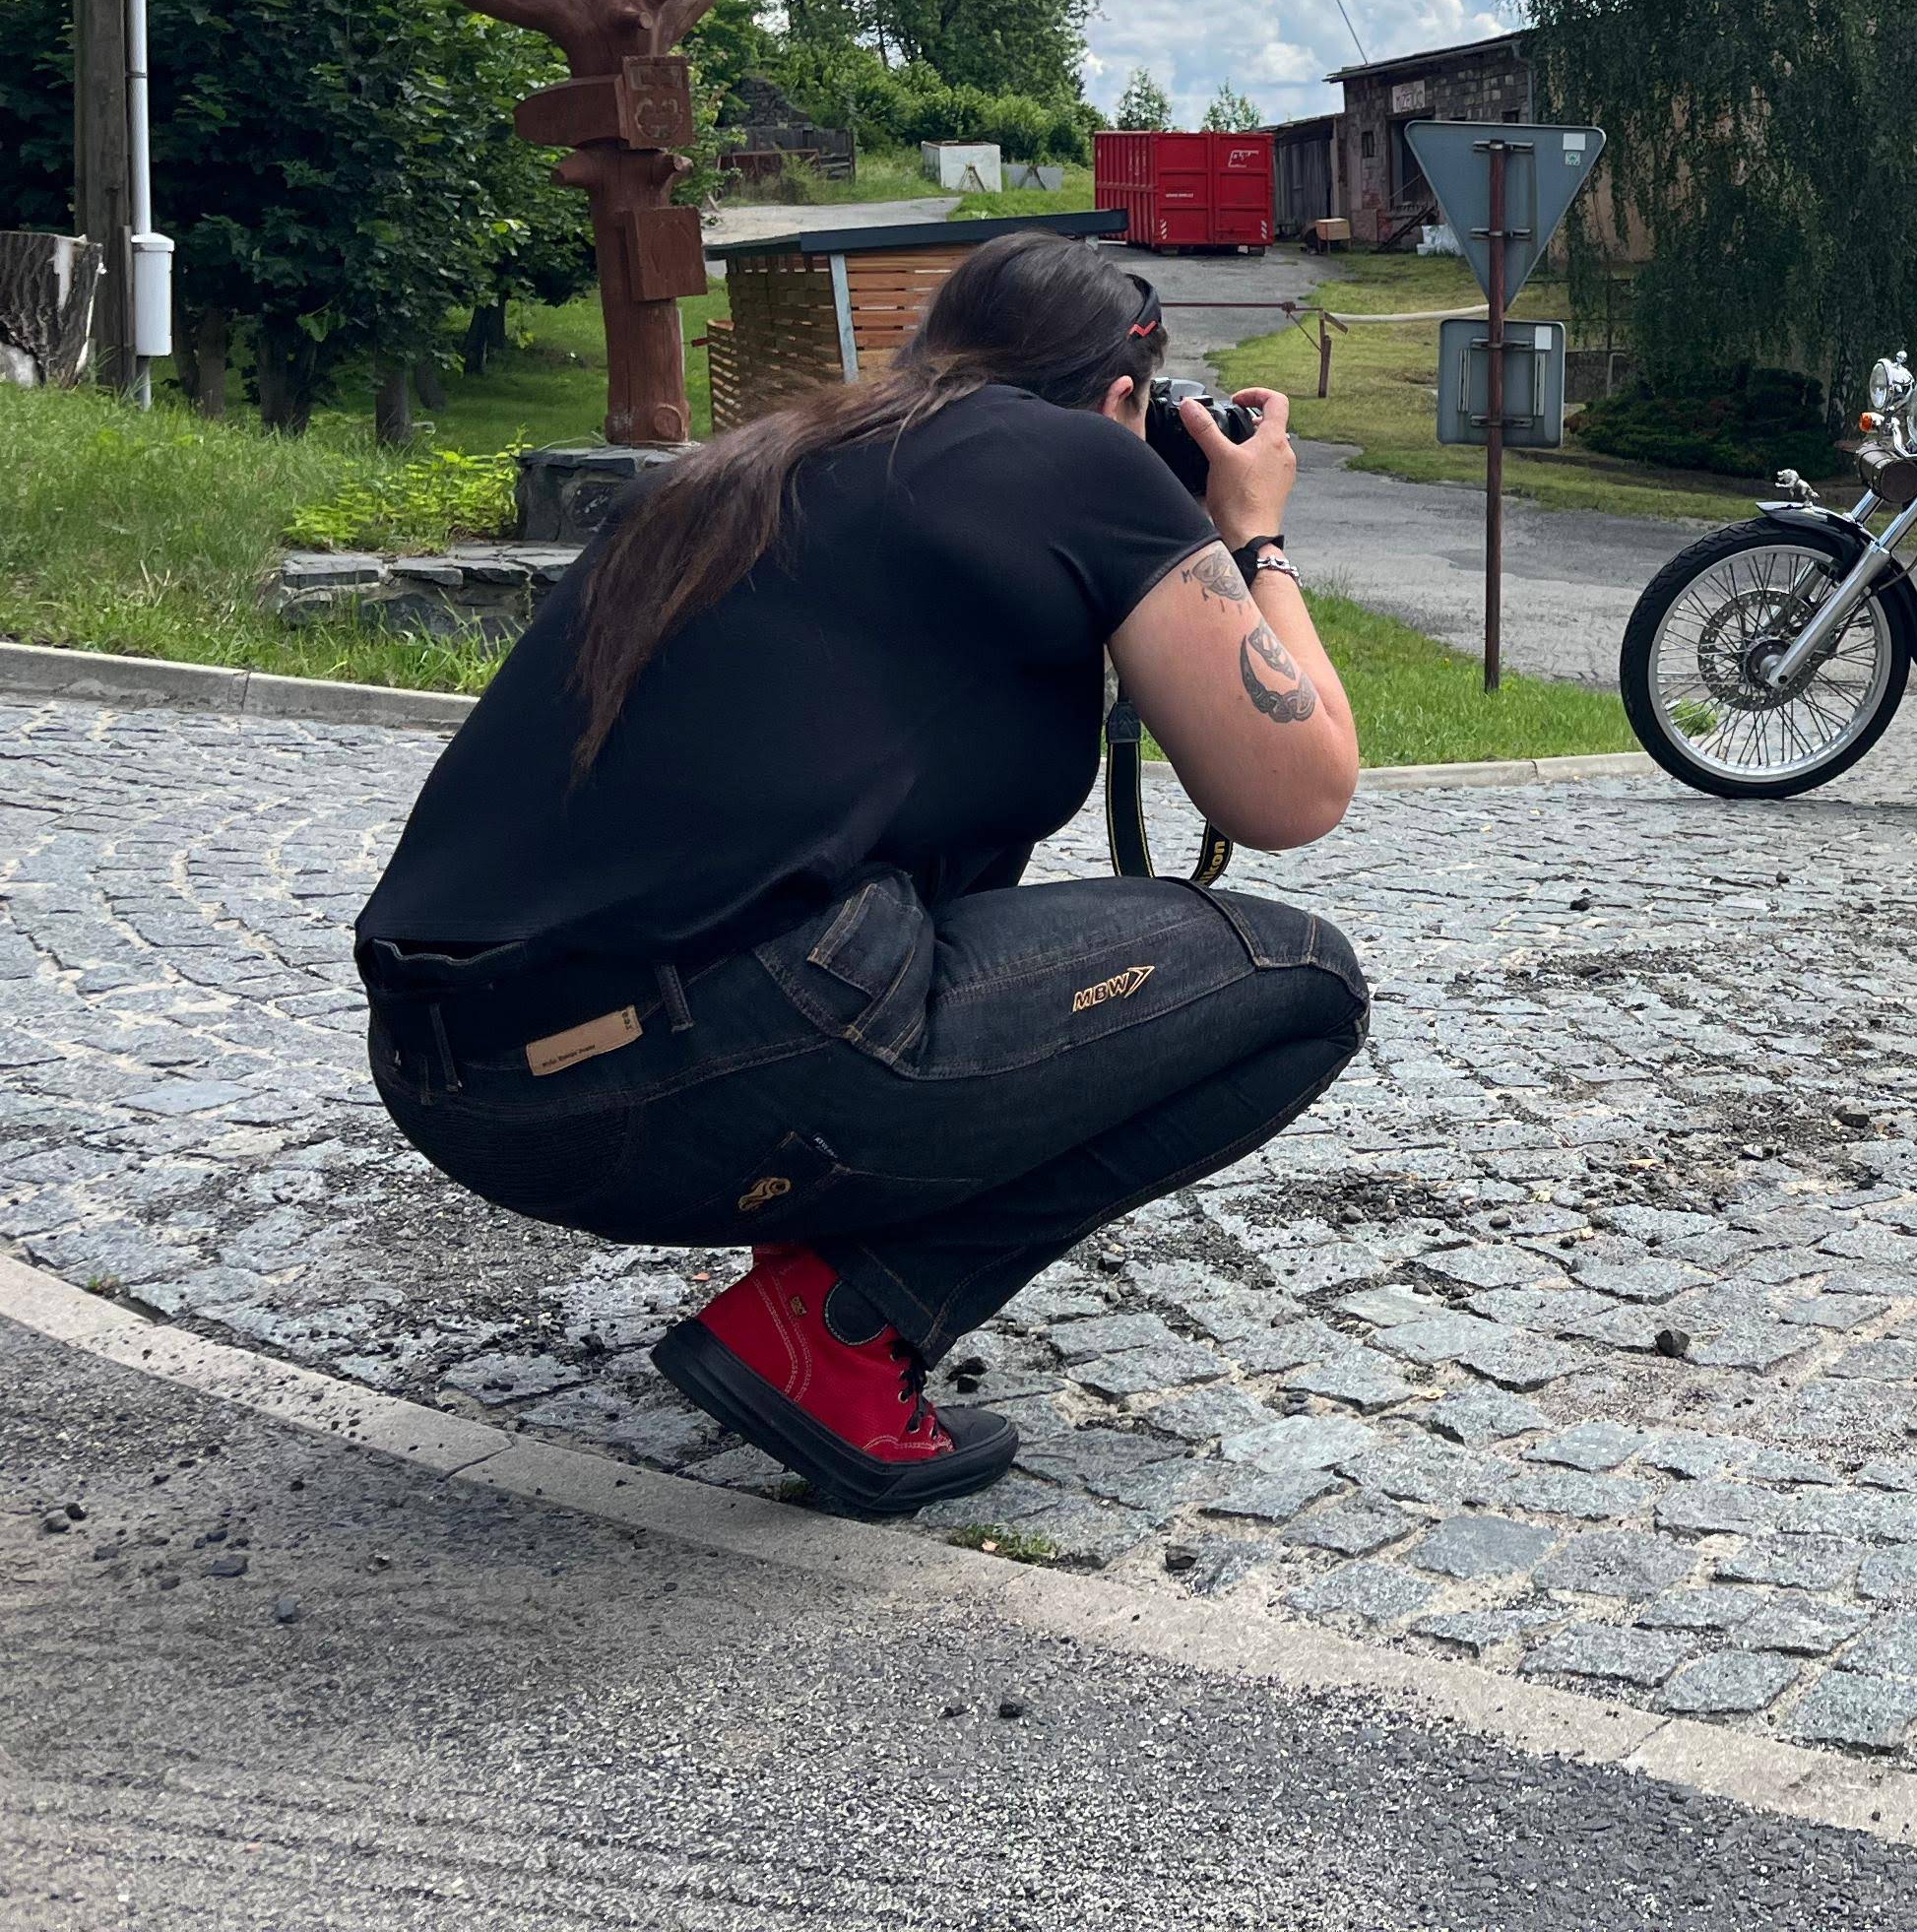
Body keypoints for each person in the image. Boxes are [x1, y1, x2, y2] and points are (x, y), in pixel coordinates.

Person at [352, 229, 1367, 1518]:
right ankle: (836, 1328)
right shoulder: (1084, 461)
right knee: (1302, 983)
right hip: (685, 1067)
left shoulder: (759, 460)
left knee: (894, 902)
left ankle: (808, 1254)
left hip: (453, 1083)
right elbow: (1298, 789)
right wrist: (1253, 536)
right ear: (1124, 396)